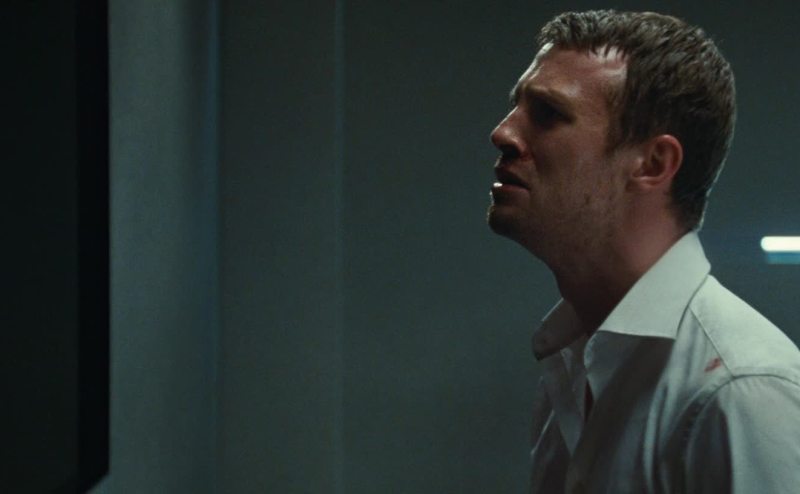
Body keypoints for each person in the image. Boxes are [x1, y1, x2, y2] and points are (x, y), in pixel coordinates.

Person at [487, 9, 800, 493]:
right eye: (517, 107)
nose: (503, 133)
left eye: (548, 114)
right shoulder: (575, 366)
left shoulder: (741, 392)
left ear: (653, 163)